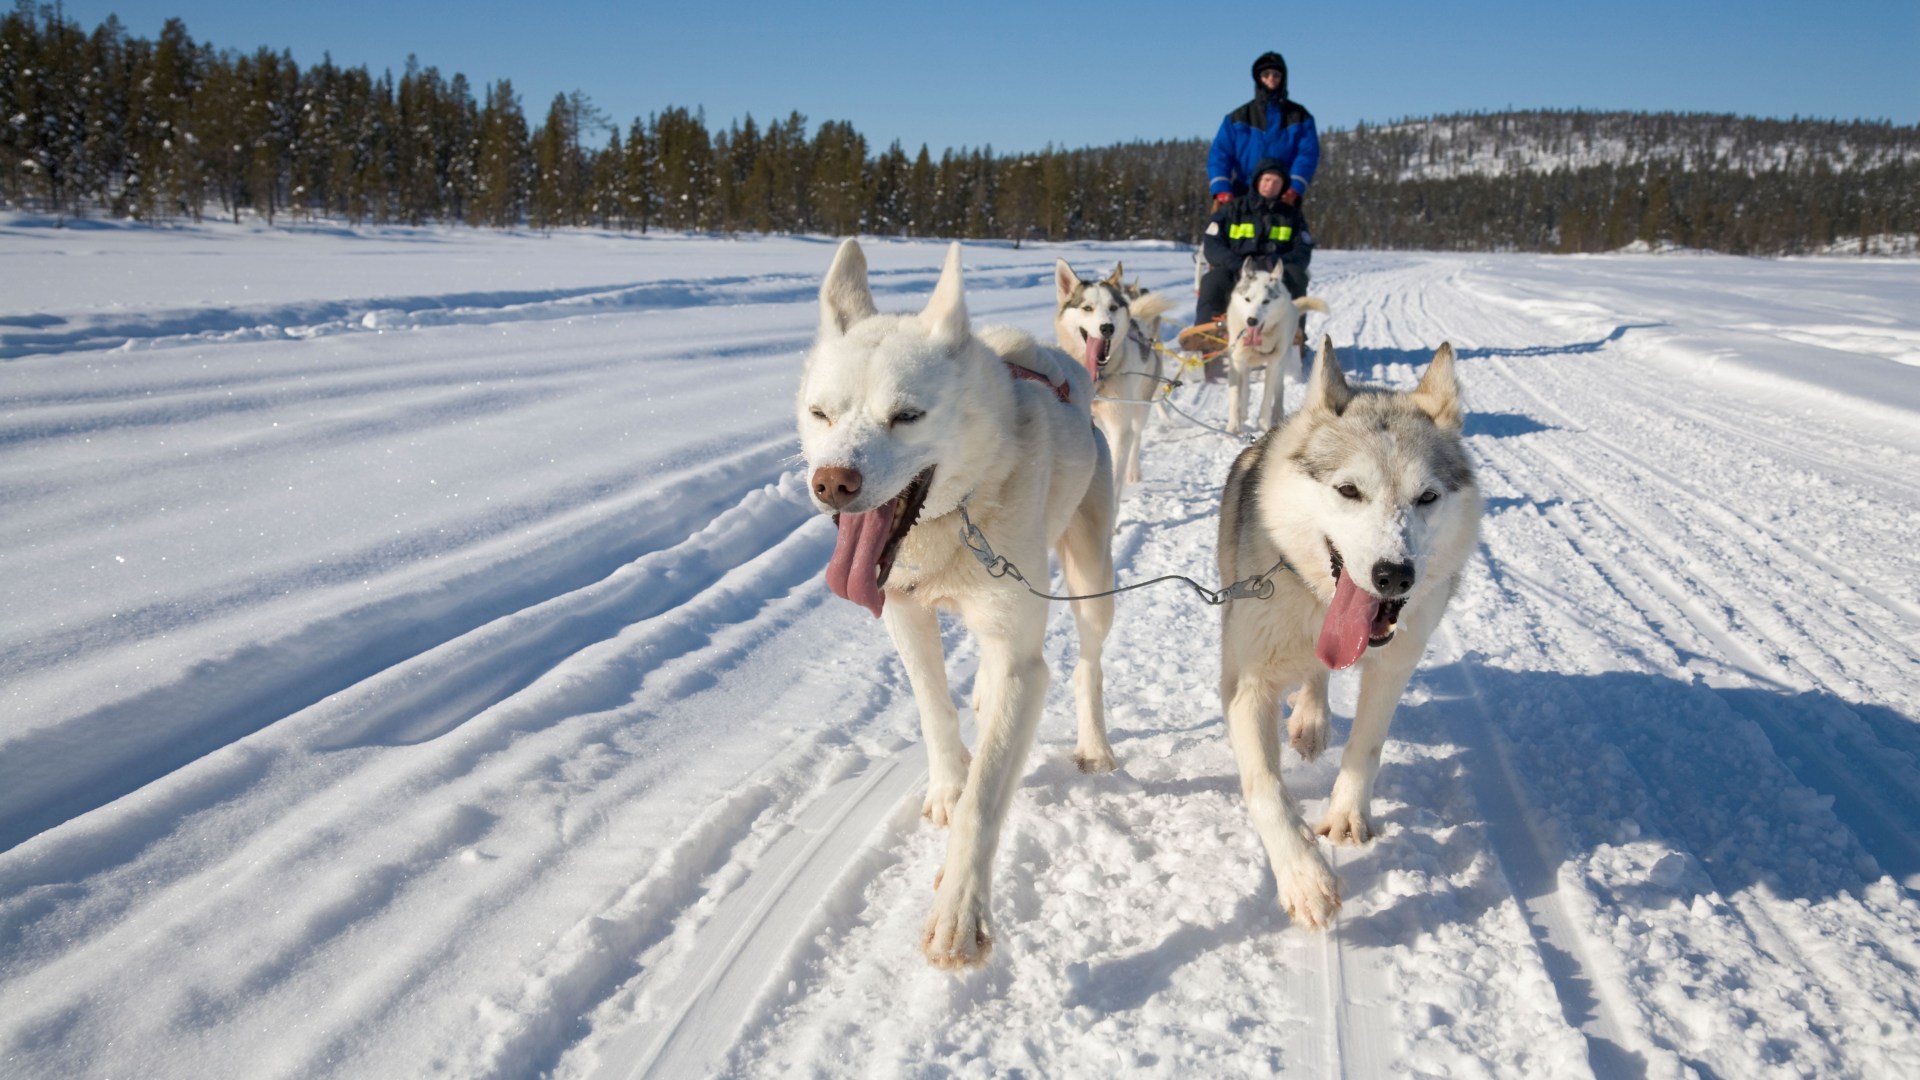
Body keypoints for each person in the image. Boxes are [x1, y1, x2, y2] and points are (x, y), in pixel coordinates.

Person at [1181, 51, 1319, 348]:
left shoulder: (1299, 116)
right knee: (1224, 269)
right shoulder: (1237, 118)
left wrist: (1293, 188)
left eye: (1276, 75)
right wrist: (1221, 189)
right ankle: (1210, 329)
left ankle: (1292, 333)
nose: (1271, 79)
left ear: (1283, 79)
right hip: (1240, 193)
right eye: (1266, 75)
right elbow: (1220, 153)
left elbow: (1307, 153)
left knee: (1287, 267)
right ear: (1258, 79)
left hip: (1285, 198)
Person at [1177, 159, 1306, 351]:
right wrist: (1234, 262)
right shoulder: (1232, 210)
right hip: (1236, 268)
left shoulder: (1291, 216)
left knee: (1296, 276)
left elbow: (1303, 249)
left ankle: (1294, 335)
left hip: (1273, 274)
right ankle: (1206, 333)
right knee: (1213, 280)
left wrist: (1277, 262)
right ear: (1257, 181)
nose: (1270, 185)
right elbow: (1212, 242)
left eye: (1276, 182)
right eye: (1267, 179)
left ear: (1283, 187)